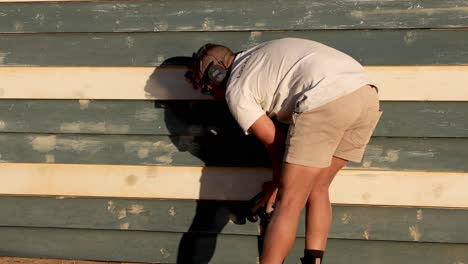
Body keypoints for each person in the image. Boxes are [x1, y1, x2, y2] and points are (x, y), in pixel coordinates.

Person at [185, 38, 382, 264]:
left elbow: (275, 143)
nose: (211, 94)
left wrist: (277, 185)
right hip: (365, 94)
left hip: (325, 98)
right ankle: (313, 261)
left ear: (216, 73)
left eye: (207, 88)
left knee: (288, 203)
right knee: (318, 187)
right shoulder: (258, 54)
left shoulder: (236, 89)